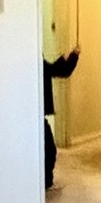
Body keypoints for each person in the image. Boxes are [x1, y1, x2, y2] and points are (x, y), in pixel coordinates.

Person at [43, 47, 80, 188]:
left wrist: (70, 57)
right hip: (33, 116)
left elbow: (52, 70)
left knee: (48, 150)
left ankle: (45, 181)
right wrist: (70, 58)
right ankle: (45, 181)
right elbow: (54, 70)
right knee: (49, 150)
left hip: (34, 115)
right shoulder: (31, 60)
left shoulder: (34, 60)